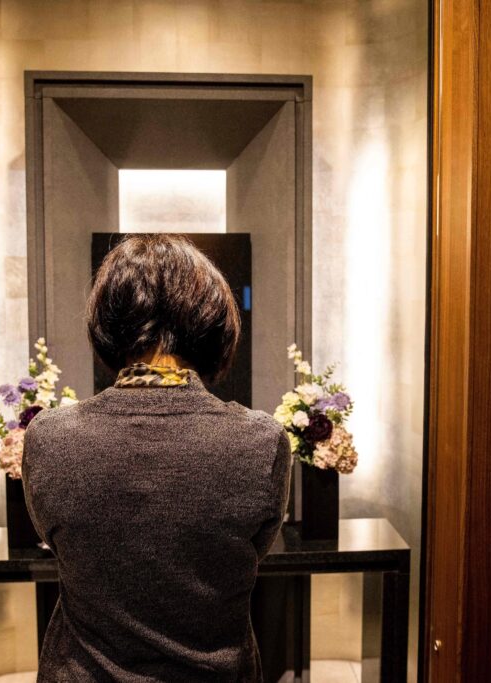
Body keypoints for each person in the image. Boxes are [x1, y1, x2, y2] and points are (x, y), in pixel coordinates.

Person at [22, 234, 292, 682]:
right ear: (214, 324)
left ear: (107, 323)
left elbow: (59, 542)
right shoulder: (261, 442)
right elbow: (252, 552)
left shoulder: (49, 438)